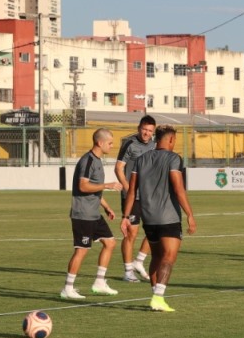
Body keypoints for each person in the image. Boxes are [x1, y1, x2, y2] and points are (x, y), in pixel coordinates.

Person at [120, 125, 196, 313]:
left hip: (148, 218)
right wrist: (190, 215)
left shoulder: (141, 159)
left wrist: (125, 216)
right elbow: (178, 189)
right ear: (170, 140)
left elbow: (131, 190)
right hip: (168, 217)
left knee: (156, 256)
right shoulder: (173, 158)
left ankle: (156, 296)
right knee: (169, 257)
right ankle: (158, 297)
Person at [61, 128, 124, 300]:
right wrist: (107, 185)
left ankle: (99, 282)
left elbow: (93, 188)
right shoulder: (87, 161)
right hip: (83, 214)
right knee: (81, 250)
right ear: (100, 142)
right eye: (110, 143)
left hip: (94, 213)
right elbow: (83, 186)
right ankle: (67, 288)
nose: (112, 146)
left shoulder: (97, 161)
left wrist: (106, 206)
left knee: (110, 243)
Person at [115, 115, 156, 283]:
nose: (146, 133)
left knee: (156, 230)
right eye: (144, 130)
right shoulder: (129, 144)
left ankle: (139, 261)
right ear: (139, 128)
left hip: (149, 195)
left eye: (150, 131)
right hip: (132, 196)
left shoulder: (154, 145)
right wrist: (128, 189)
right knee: (131, 233)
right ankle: (128, 271)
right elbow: (118, 169)